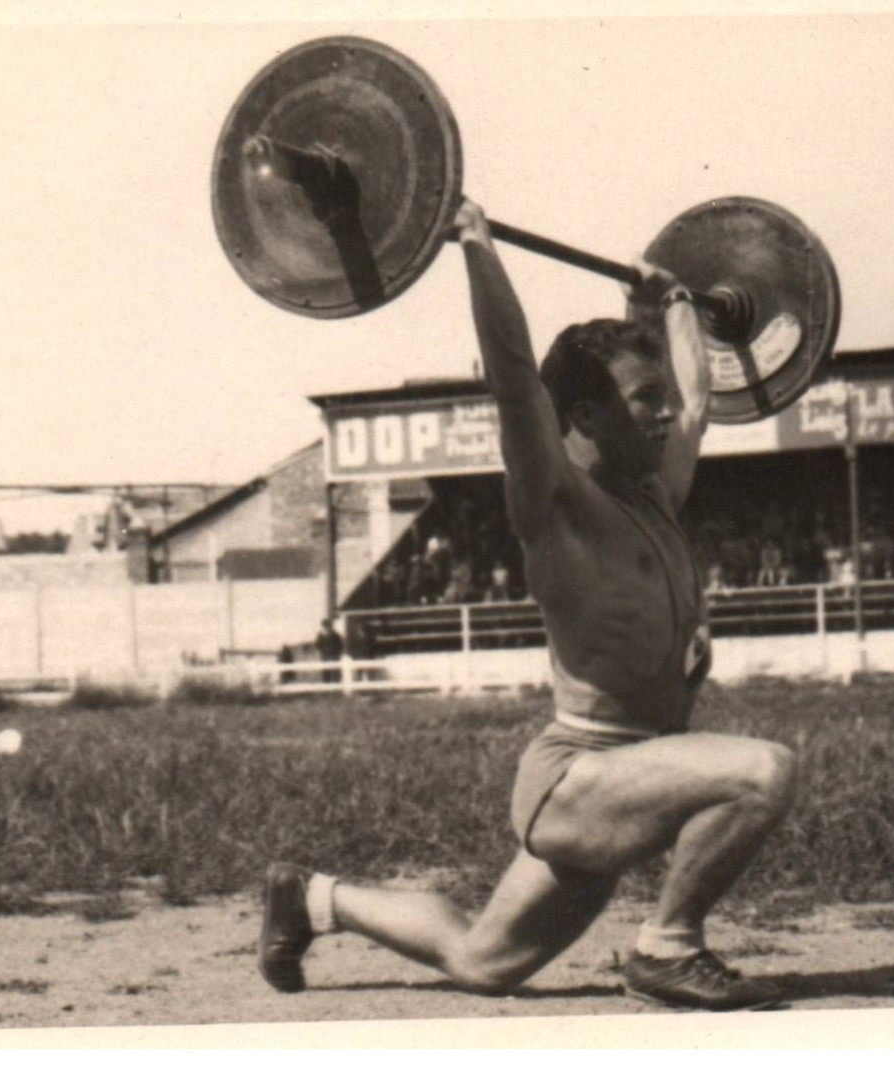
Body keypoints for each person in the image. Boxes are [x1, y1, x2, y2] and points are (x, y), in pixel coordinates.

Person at [257, 200, 794, 1011]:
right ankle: (667, 947)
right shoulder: (555, 507)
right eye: (640, 399)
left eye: (658, 400)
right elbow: (514, 376)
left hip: (632, 776)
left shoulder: (654, 493)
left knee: (482, 962)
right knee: (764, 769)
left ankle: (313, 896)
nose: (664, 415)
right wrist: (477, 251)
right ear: (581, 415)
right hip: (579, 779)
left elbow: (695, 394)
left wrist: (674, 304)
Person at [315, 618, 345, 684]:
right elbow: (317, 645)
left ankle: (337, 686)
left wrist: (337, 653)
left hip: (334, 656)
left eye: (328, 625)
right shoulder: (320, 635)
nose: (326, 627)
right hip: (325, 656)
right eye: (325, 626)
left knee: (336, 672)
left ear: (330, 626)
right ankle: (327, 687)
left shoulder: (335, 635)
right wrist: (322, 651)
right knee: (326, 672)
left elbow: (341, 645)